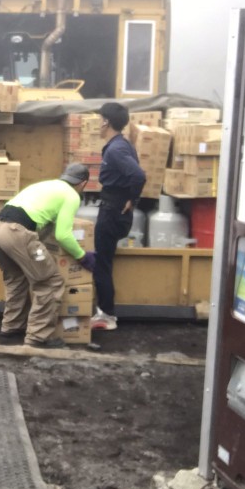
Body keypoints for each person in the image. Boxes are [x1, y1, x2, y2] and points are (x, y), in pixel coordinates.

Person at [0, 164, 97, 348]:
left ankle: (11, 327)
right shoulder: (71, 195)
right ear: (83, 183)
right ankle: (36, 338)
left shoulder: (47, 185)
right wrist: (82, 256)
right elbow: (63, 234)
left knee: (16, 280)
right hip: (17, 233)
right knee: (49, 282)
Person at [91, 102, 147, 332]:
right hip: (115, 210)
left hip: (112, 212)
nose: (97, 123)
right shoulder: (121, 145)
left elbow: (138, 175)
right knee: (104, 261)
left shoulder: (116, 150)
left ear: (106, 122)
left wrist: (131, 200)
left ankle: (107, 315)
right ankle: (105, 311)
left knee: (101, 264)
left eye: (99, 119)